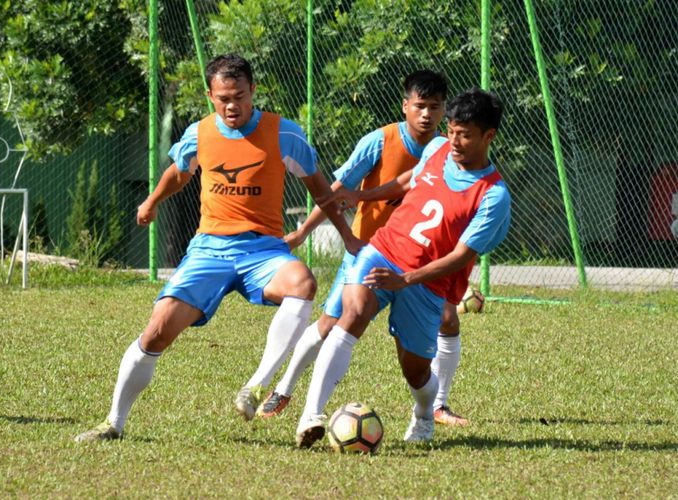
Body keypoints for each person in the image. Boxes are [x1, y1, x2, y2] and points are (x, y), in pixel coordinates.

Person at [75, 53, 361, 442]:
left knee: (302, 282)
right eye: (223, 97)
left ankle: (256, 386)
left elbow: (322, 191)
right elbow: (179, 172)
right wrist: (152, 200)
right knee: (158, 329)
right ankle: (113, 423)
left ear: (253, 91)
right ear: (210, 95)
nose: (232, 105)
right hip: (209, 250)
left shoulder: (285, 134)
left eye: (240, 96)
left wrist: (346, 236)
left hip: (263, 250)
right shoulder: (199, 133)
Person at [295, 87, 512, 448]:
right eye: (453, 131)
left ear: (489, 137)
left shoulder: (493, 195)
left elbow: (460, 256)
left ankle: (425, 414)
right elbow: (408, 181)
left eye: (466, 135)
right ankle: (311, 415)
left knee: (415, 372)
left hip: (426, 284)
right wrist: (360, 196)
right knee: (353, 312)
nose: (455, 141)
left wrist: (405, 279)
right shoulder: (437, 148)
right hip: (383, 251)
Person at [258, 70, 472, 428]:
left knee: (447, 321)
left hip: (422, 260)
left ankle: (438, 406)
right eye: (419, 106)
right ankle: (284, 388)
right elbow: (337, 190)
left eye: (435, 107)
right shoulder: (380, 142)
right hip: (371, 251)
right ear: (405, 106)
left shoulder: (447, 151)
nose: (427, 115)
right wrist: (301, 234)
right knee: (331, 323)